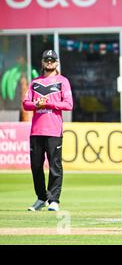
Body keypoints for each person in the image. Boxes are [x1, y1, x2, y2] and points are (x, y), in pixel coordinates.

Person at [23, 50, 73, 212]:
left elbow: (68, 104)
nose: (49, 63)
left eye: (52, 60)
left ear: (57, 63)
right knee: (36, 166)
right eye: (47, 60)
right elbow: (25, 103)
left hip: (53, 130)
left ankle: (54, 200)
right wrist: (37, 104)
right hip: (36, 131)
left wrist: (50, 104)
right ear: (43, 63)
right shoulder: (35, 82)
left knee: (54, 166)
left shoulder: (62, 81)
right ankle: (41, 198)